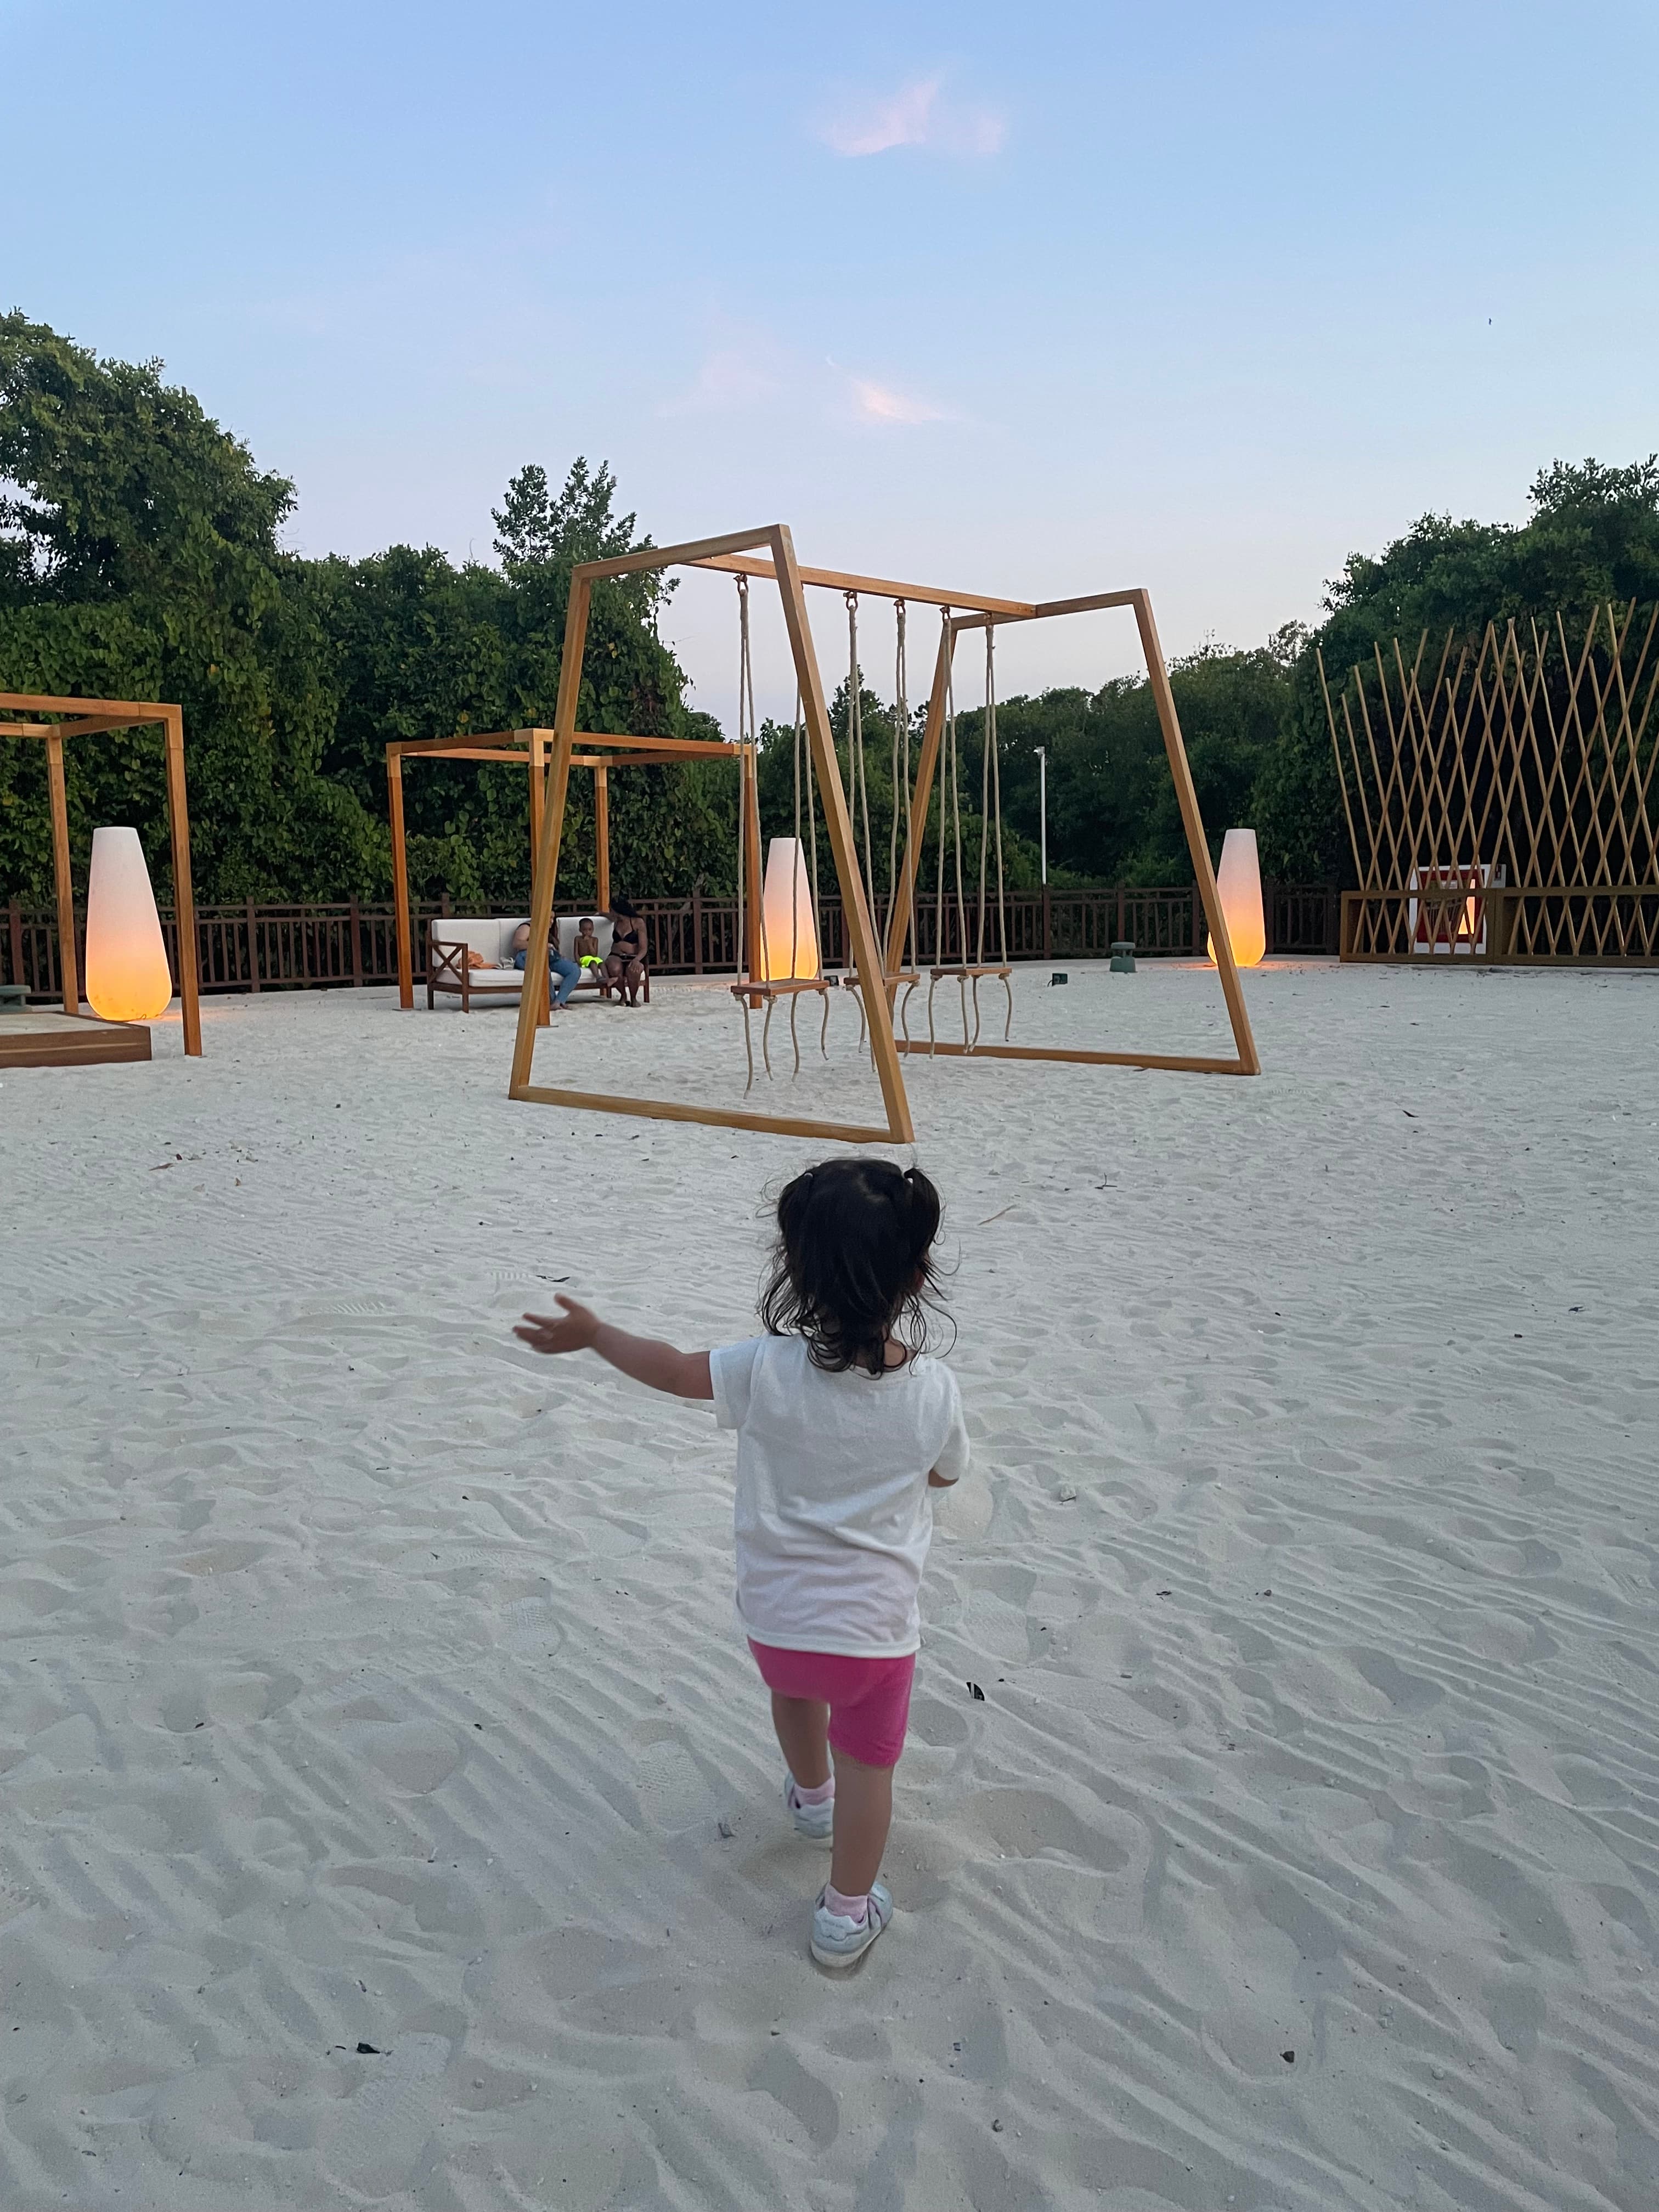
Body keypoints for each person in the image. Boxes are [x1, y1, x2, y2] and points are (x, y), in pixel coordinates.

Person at [514, 1158, 967, 1968]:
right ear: (917, 1274)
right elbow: (943, 1472)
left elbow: (672, 1368)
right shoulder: (935, 1390)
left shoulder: (764, 1369)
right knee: (875, 1766)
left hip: (778, 1618)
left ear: (794, 1271)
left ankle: (811, 1800)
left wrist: (596, 1336)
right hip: (874, 1634)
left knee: (795, 1698)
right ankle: (844, 1915)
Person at [509, 921, 581, 1009]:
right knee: (544, 970)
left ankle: (559, 1001)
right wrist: (543, 945)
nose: (551, 921)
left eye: (553, 918)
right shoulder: (528, 927)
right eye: (549, 917)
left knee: (574, 970)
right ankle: (551, 1001)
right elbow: (517, 944)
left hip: (548, 957)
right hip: (527, 956)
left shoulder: (550, 929)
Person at [600, 896, 647, 1006]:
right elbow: (609, 916)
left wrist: (637, 960)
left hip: (634, 956)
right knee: (614, 968)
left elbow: (644, 948)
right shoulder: (616, 920)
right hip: (616, 955)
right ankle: (623, 995)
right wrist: (600, 914)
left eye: (611, 909)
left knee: (633, 970)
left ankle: (634, 998)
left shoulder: (637, 922)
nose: (610, 911)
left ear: (618, 911)